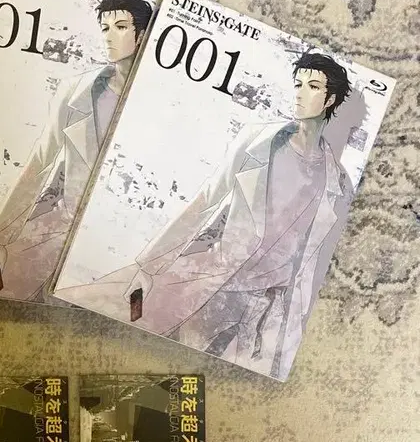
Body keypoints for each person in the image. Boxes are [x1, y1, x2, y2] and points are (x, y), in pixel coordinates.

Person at [122, 52, 354, 379]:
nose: (300, 93)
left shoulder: (336, 181)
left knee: (225, 387)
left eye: (313, 86)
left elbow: (313, 261)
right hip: (218, 285)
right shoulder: (258, 141)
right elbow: (206, 200)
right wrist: (150, 264)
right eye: (297, 84)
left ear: (330, 99)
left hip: (266, 308)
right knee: (167, 370)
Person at [0, 0, 154, 300]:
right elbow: (41, 160)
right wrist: (1, 237)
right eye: (105, 28)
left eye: (121, 27)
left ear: (141, 36)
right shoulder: (77, 91)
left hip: (119, 243)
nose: (109, 36)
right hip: (63, 226)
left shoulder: (155, 102)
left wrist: (149, 266)